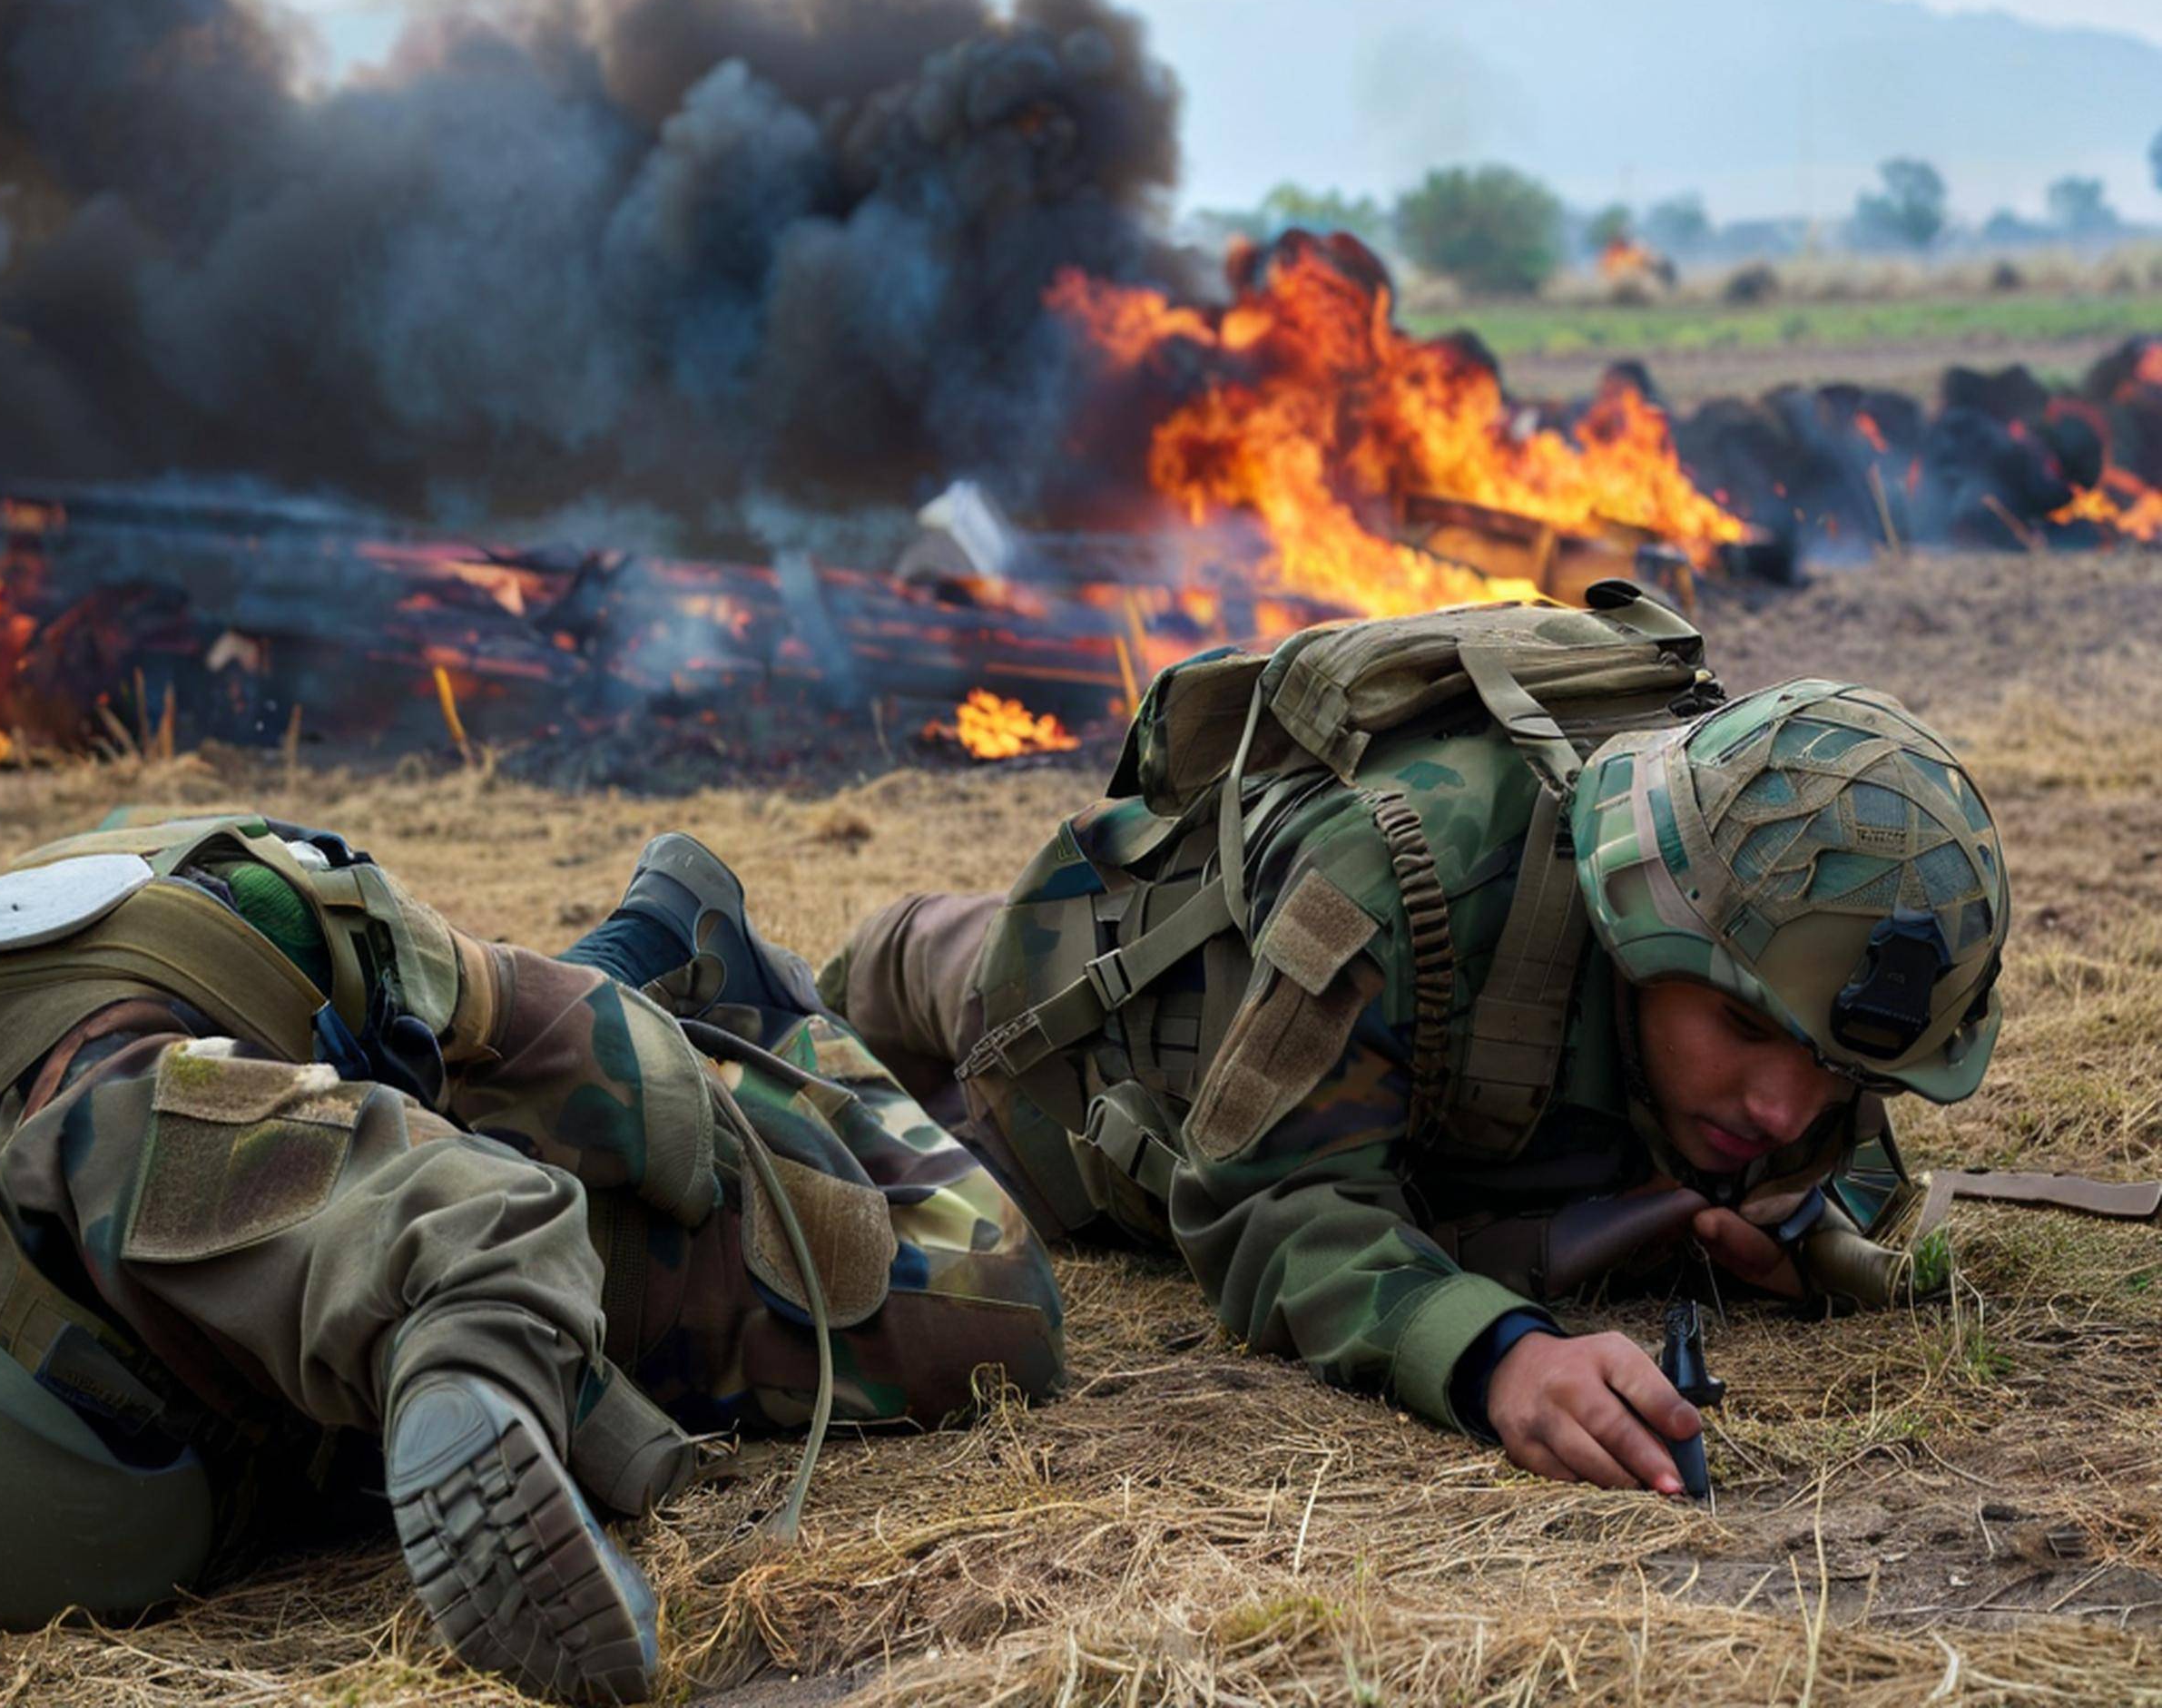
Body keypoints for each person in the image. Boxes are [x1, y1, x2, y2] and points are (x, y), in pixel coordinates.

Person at [0, 815, 1063, 1704]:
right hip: (67, 1199)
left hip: (309, 1069)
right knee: (312, 1203)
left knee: (973, 1303)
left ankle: (713, 964)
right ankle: (479, 1314)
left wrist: (496, 1348)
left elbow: (516, 1151)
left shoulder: (321, 985)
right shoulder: (79, 1121)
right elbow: (409, 1200)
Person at [800, 590, 2007, 1497]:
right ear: (1651, 914)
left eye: (1837, 1073)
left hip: (1333, 1033)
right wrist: (1496, 1359)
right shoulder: (1402, 873)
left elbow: (1835, 1146)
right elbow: (1266, 1203)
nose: (1784, 1107)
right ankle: (739, 974)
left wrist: (1801, 1229)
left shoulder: (1785, 935)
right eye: (1743, 1030)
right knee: (902, 1004)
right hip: (1099, 1023)